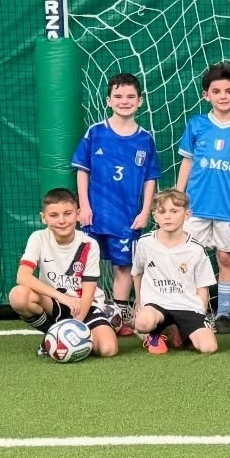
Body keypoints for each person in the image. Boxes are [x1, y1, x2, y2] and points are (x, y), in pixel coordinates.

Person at [176, 62, 230, 335]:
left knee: (226, 258)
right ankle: (189, 308)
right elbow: (187, 164)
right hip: (196, 207)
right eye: (216, 91)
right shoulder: (197, 124)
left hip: (229, 208)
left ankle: (223, 313)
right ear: (206, 95)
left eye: (229, 91)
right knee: (188, 257)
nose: (223, 96)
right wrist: (179, 199)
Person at [72, 72, 161, 321]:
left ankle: (119, 317)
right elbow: (82, 170)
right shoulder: (96, 132)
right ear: (108, 101)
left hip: (127, 217)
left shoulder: (145, 139)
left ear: (140, 101)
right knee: (85, 264)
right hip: (95, 214)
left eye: (131, 96)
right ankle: (84, 311)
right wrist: (84, 206)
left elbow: (150, 179)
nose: (124, 100)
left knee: (123, 266)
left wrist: (145, 212)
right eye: (118, 96)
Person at [9, 188, 118, 358]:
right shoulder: (38, 238)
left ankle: (79, 333)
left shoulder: (89, 244)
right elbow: (22, 276)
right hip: (55, 303)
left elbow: (88, 294)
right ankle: (52, 335)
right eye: (53, 215)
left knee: (108, 349)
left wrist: (75, 328)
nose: (62, 221)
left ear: (78, 214)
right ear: (43, 217)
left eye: (67, 213)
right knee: (18, 295)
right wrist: (61, 298)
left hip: (84, 305)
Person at [130, 189, 219, 355]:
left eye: (174, 211)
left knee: (209, 347)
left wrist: (201, 314)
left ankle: (180, 332)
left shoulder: (196, 249)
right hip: (157, 305)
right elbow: (137, 274)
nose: (167, 217)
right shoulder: (145, 244)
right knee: (142, 323)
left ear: (187, 214)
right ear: (155, 216)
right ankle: (154, 334)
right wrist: (139, 304)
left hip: (187, 306)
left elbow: (202, 288)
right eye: (161, 212)